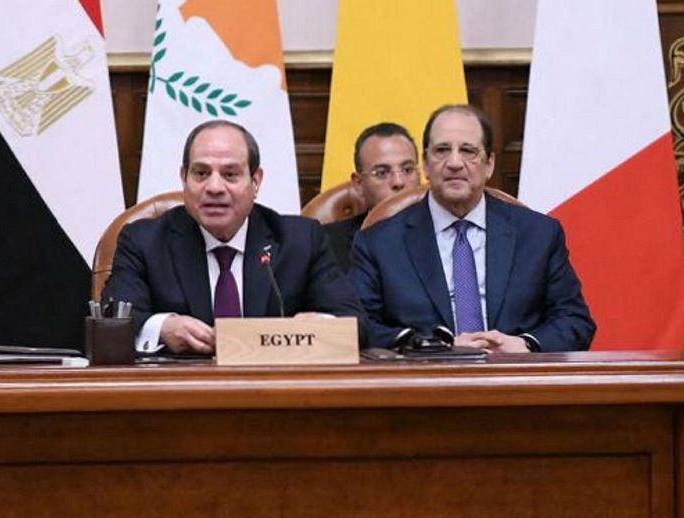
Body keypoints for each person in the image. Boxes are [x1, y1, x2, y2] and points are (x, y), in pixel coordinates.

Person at [103, 120, 365, 355]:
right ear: (184, 178)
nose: (215, 188)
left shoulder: (301, 240)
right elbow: (112, 320)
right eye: (201, 173)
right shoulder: (144, 241)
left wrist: (323, 326)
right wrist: (162, 328)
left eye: (230, 174)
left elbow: (355, 323)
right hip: (180, 395)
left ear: (256, 181)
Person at [352, 104, 595, 352]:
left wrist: (524, 344)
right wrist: (435, 347)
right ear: (425, 164)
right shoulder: (379, 243)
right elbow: (359, 327)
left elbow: (575, 321)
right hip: (426, 381)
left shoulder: (538, 235)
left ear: (489, 164)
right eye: (442, 150)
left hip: (516, 380)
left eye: (468, 151)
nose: (454, 162)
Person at [323, 122, 421, 271]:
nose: (398, 182)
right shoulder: (328, 243)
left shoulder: (447, 231)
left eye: (407, 169)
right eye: (382, 173)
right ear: (358, 184)